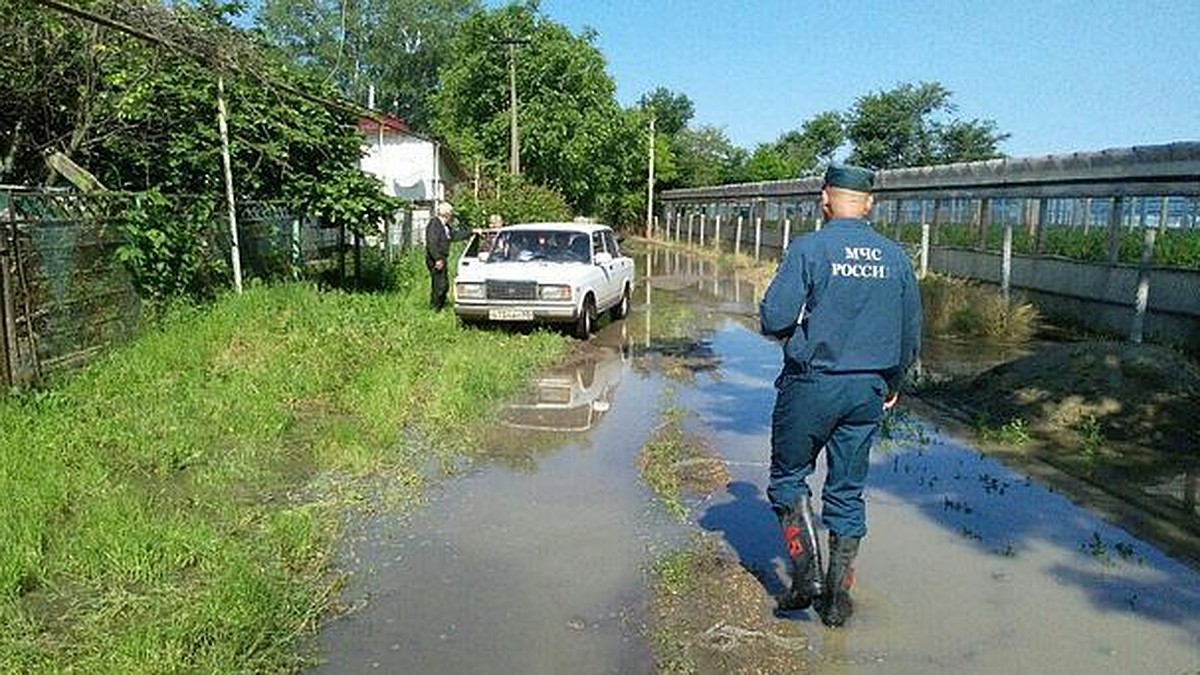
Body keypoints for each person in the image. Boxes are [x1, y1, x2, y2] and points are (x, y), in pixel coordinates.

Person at [759, 163, 922, 627]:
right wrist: (893, 384)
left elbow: (774, 318)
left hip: (813, 383)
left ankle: (806, 577)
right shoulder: (896, 257)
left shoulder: (809, 248)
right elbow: (911, 332)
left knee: (789, 478)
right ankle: (835, 601)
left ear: (825, 199)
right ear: (869, 203)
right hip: (868, 389)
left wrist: (796, 338)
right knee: (848, 492)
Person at [425, 201, 454, 310]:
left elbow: (454, 235)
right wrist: (437, 259)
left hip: (442, 258)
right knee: (439, 285)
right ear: (447, 214)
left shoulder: (445, 226)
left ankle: (439, 306)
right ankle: (435, 308)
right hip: (435, 259)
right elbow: (431, 243)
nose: (451, 216)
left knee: (444, 285)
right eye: (451, 213)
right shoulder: (435, 224)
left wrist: (471, 232)